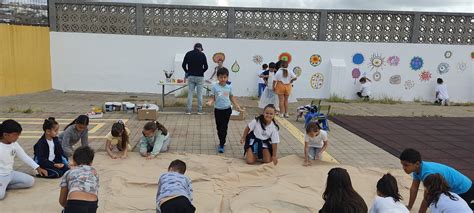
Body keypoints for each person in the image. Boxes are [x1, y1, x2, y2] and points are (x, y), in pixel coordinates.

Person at [400, 148, 474, 212]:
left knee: (459, 209)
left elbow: (427, 198)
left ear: (417, 164)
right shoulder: (417, 169)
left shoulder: (428, 174)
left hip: (464, 190)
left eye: (406, 165)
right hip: (460, 186)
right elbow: (414, 188)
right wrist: (409, 206)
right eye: (402, 164)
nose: (404, 168)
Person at [0, 119, 48, 200]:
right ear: (5, 135)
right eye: (15, 135)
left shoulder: (14, 144)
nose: (17, 137)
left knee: (30, 181)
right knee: (1, 196)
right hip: (1, 175)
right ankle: (2, 186)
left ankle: (4, 186)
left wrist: (37, 167)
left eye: (18, 135)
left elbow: (24, 156)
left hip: (10, 173)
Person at [206, 67, 243, 153]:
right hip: (218, 110)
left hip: (227, 110)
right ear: (217, 77)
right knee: (219, 127)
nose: (223, 79)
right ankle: (221, 140)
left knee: (224, 127)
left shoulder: (229, 87)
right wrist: (210, 102)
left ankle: (222, 143)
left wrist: (237, 105)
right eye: (221, 77)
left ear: (227, 77)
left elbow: (231, 97)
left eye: (225, 77)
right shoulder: (215, 87)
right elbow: (213, 98)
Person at [59, 146, 99, 213]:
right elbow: (95, 192)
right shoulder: (94, 173)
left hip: (74, 203)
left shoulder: (68, 172)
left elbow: (62, 200)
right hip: (92, 204)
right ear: (91, 162)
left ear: (74, 161)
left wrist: (67, 208)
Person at [182, 43, 209, 115]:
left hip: (191, 76)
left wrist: (187, 72)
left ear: (194, 47)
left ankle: (188, 111)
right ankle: (199, 111)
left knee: (190, 93)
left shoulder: (188, 54)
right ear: (200, 48)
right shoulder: (202, 55)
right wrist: (201, 72)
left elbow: (183, 65)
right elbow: (206, 67)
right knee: (199, 94)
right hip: (200, 77)